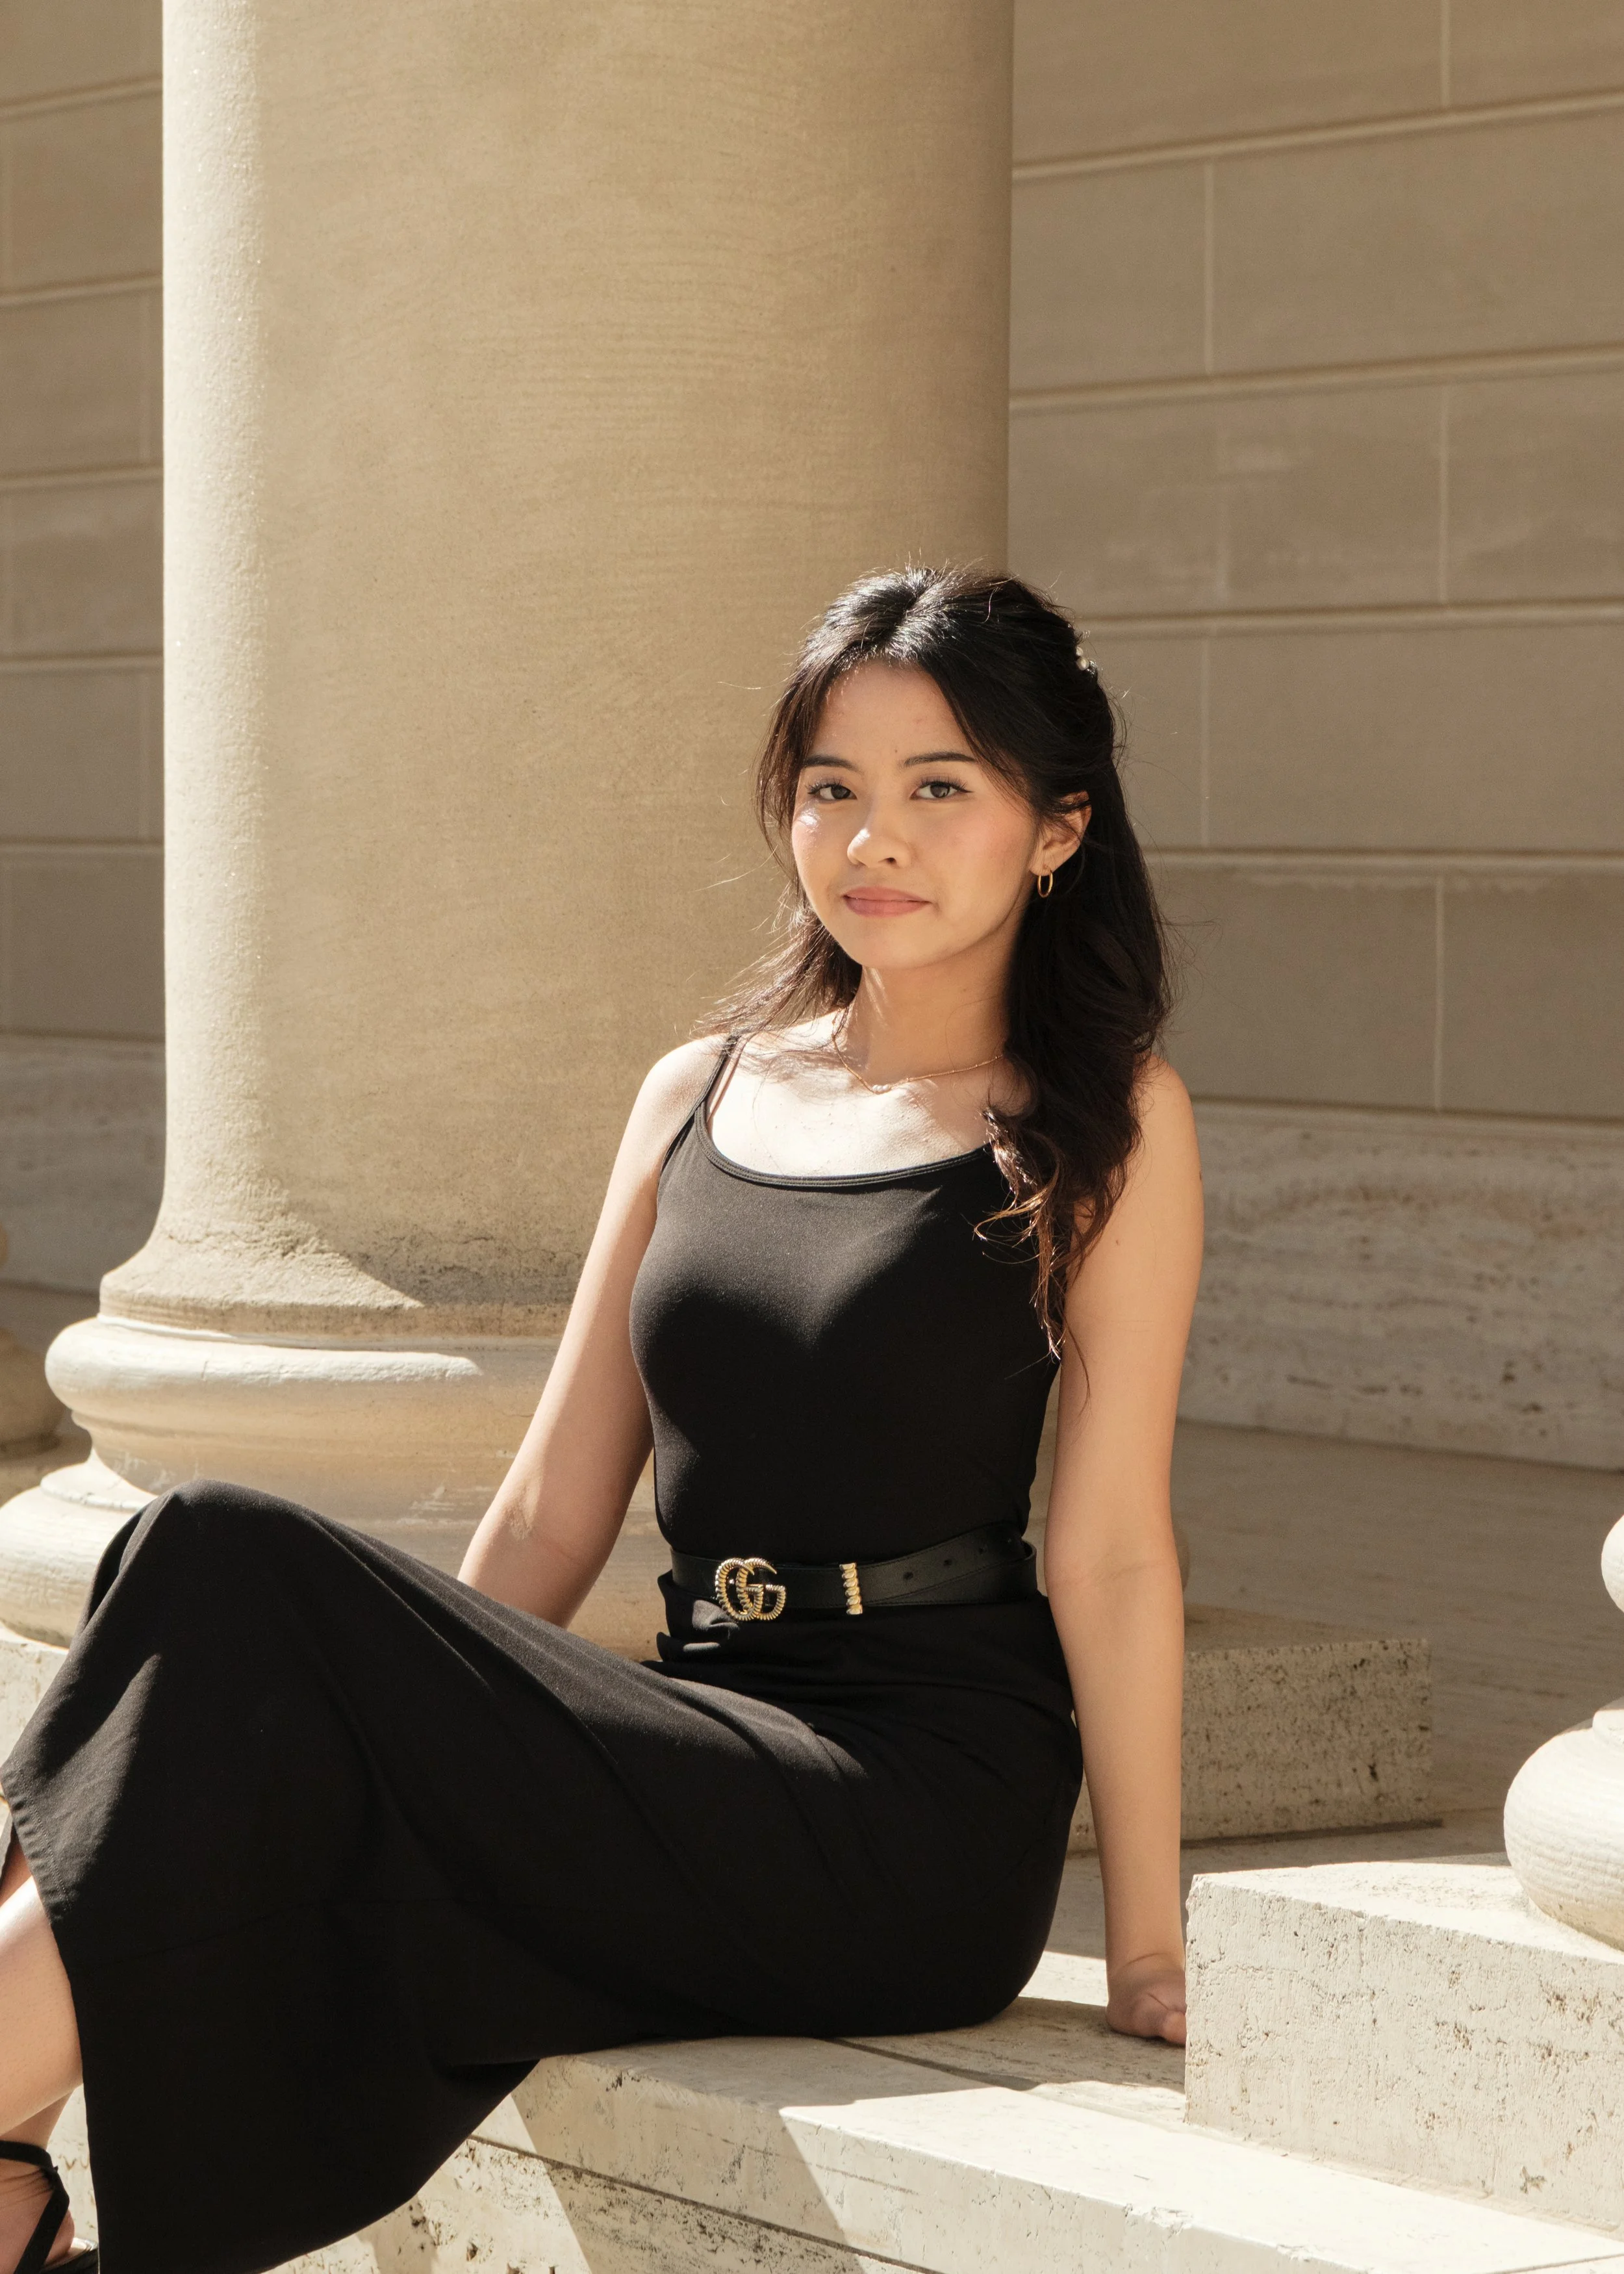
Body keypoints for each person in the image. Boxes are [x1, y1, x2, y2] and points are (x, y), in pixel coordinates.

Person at [0, 567, 1202, 2274]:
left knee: (230, 1559)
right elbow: (559, 1506)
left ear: (1056, 828)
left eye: (940, 787)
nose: (876, 835)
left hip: (910, 1813)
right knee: (197, 1558)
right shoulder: (699, 1088)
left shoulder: (1102, 1126)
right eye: (829, 788)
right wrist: (416, 1740)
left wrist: (1145, 1943)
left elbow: (1109, 1550)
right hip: (701, 1729)